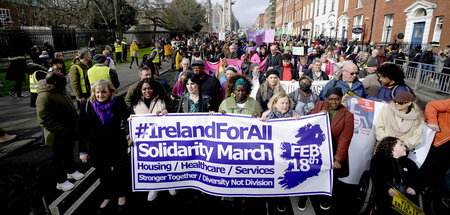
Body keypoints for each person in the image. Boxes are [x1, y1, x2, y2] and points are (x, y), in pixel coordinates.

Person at [79, 80, 129, 213]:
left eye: (103, 92)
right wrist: (82, 150)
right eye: (97, 92)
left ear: (110, 92)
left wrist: (130, 135)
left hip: (117, 144)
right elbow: (81, 129)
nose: (100, 95)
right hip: (97, 147)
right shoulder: (86, 105)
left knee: (119, 170)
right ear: (94, 92)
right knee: (103, 172)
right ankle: (107, 196)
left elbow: (128, 118)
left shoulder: (118, 102)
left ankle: (121, 195)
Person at [304, 87, 354, 213]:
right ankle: (304, 196)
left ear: (341, 99)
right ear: (326, 98)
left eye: (337, 99)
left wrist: (338, 159)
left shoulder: (348, 115)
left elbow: (345, 139)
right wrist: (318, 114)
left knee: (331, 178)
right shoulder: (320, 105)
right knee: (310, 174)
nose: (333, 102)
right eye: (331, 99)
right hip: (316, 148)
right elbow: (308, 118)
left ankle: (326, 198)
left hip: (334, 150)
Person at [36, 72, 84, 192]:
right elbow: (44, 119)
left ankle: (71, 171)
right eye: (63, 79)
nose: (66, 81)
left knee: (68, 153)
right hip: (57, 135)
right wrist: (63, 130)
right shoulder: (44, 97)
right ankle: (61, 181)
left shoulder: (60, 90)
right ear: (55, 82)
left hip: (68, 131)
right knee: (58, 158)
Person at [370, 137, 419, 215]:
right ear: (392, 147)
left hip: (406, 196)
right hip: (387, 194)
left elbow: (418, 177)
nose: (404, 147)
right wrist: (388, 189)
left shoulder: (409, 163)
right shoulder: (379, 159)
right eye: (401, 145)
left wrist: (414, 187)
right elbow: (377, 177)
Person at [420, 98, 450, 208]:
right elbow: (432, 105)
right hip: (441, 141)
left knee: (442, 172)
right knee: (432, 167)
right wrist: (433, 122)